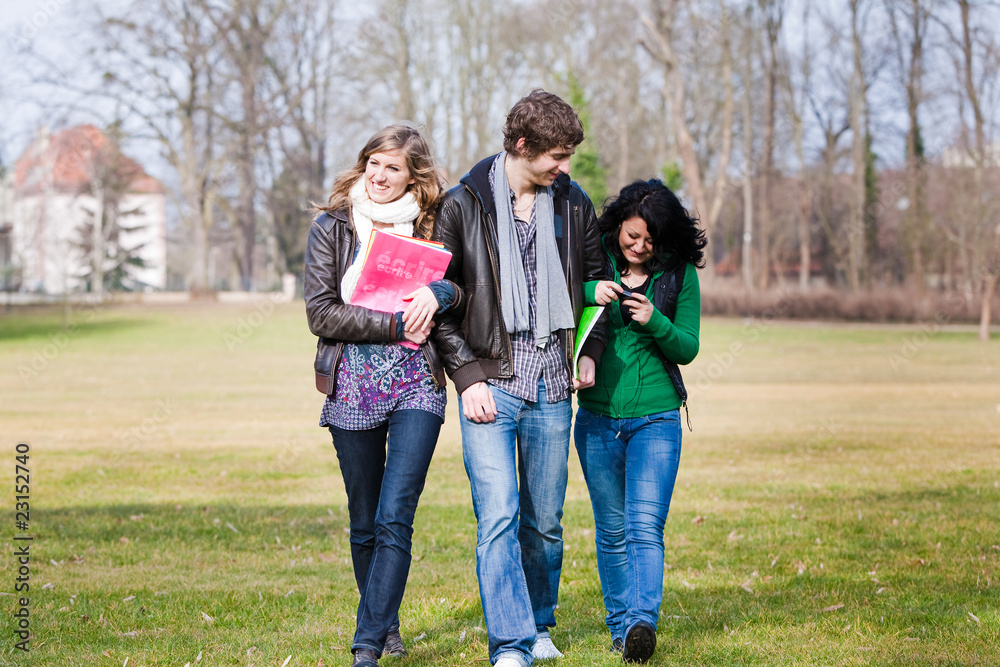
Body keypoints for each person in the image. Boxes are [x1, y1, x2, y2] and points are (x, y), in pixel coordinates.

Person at [431, 90, 608, 667]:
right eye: (556, 156)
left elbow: (599, 286)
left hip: (554, 388)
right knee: (499, 516)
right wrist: (467, 376)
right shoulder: (463, 204)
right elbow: (442, 302)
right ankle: (510, 644)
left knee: (545, 522)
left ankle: (538, 625)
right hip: (491, 384)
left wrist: (589, 353)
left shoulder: (573, 202)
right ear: (522, 145)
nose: (564, 168)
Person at [304, 123, 461, 667]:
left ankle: (366, 644)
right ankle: (387, 624)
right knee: (365, 517)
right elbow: (321, 313)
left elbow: (459, 284)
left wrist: (439, 290)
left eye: (392, 167)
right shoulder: (332, 226)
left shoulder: (433, 222)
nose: (379, 174)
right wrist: (396, 323)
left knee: (396, 515)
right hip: (351, 382)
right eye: (373, 162)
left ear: (413, 176)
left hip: (417, 380)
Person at [574, 179, 705, 663]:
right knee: (610, 530)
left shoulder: (679, 274)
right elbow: (565, 303)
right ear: (617, 227)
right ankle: (620, 629)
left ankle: (641, 622)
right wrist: (592, 290)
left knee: (644, 526)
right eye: (631, 236)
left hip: (656, 420)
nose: (639, 247)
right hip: (595, 419)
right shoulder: (596, 260)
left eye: (649, 241)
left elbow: (687, 347)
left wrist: (654, 319)